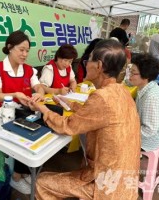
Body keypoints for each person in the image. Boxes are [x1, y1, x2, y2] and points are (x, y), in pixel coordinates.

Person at [29, 39, 141, 200]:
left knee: (41, 182)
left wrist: (42, 109)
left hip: (106, 185)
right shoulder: (121, 92)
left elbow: (67, 126)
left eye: (89, 60)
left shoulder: (101, 97)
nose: (85, 63)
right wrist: (69, 104)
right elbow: (98, 114)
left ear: (99, 66)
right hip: (126, 179)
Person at [0, 30, 45, 195]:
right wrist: (16, 95)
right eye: (21, 49)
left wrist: (39, 93)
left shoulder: (29, 70)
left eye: (27, 50)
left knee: (39, 137)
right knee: (24, 140)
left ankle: (23, 173)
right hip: (3, 115)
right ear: (10, 47)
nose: (25, 54)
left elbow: (38, 86)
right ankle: (16, 177)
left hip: (24, 114)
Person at [129, 54, 159, 151]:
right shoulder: (146, 86)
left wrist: (127, 130)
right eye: (130, 71)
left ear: (145, 76)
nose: (129, 76)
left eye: (133, 73)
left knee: (112, 136)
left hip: (150, 140)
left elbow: (149, 130)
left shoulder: (151, 97)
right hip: (148, 132)